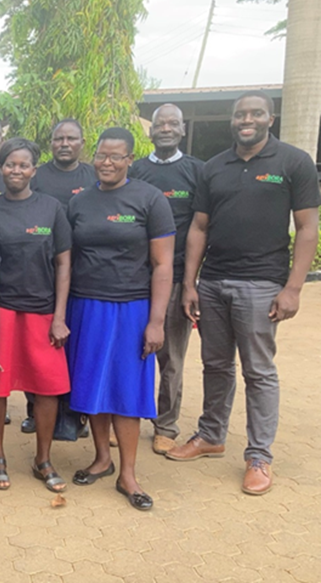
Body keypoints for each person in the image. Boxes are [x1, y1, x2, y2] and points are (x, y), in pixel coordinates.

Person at [169, 91, 321, 496]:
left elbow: (307, 228)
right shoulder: (215, 167)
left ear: (270, 118)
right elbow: (199, 227)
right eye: (240, 115)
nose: (246, 120)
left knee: (258, 371)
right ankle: (211, 435)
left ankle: (258, 456)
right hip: (214, 281)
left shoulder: (293, 163)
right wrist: (190, 284)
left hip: (262, 283)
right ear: (232, 120)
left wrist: (293, 288)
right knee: (215, 364)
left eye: (256, 113)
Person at [65, 127, 174, 512]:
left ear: (130, 159)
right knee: (93, 384)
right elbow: (68, 259)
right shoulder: (79, 202)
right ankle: (101, 458)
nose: (107, 162)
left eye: (116, 156)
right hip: (86, 306)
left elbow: (163, 265)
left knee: (127, 390)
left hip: (132, 308)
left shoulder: (150, 199)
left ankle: (128, 474)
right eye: (101, 155)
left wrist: (156, 321)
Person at [0, 138, 72, 493]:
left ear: (34, 169)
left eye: (23, 165)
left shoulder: (51, 209)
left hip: (43, 312)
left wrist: (59, 316)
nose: (16, 170)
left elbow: (63, 264)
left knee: (47, 387)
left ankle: (43, 459)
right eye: (10, 164)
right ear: (1, 168)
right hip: (2, 311)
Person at [129, 104, 203, 456]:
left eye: (174, 123)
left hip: (174, 278)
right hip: (133, 279)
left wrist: (189, 283)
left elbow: (201, 228)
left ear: (183, 129)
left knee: (171, 357)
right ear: (151, 130)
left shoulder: (197, 172)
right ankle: (125, 414)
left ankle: (166, 425)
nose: (166, 128)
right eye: (160, 123)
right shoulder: (136, 171)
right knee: (130, 351)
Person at [27, 118, 95, 435]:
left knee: (73, 345)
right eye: (58, 139)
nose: (64, 144)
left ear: (82, 143)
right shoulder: (37, 176)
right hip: (39, 274)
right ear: (51, 143)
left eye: (71, 138)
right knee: (39, 346)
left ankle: (74, 415)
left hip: (84, 272)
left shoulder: (93, 177)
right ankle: (36, 411)